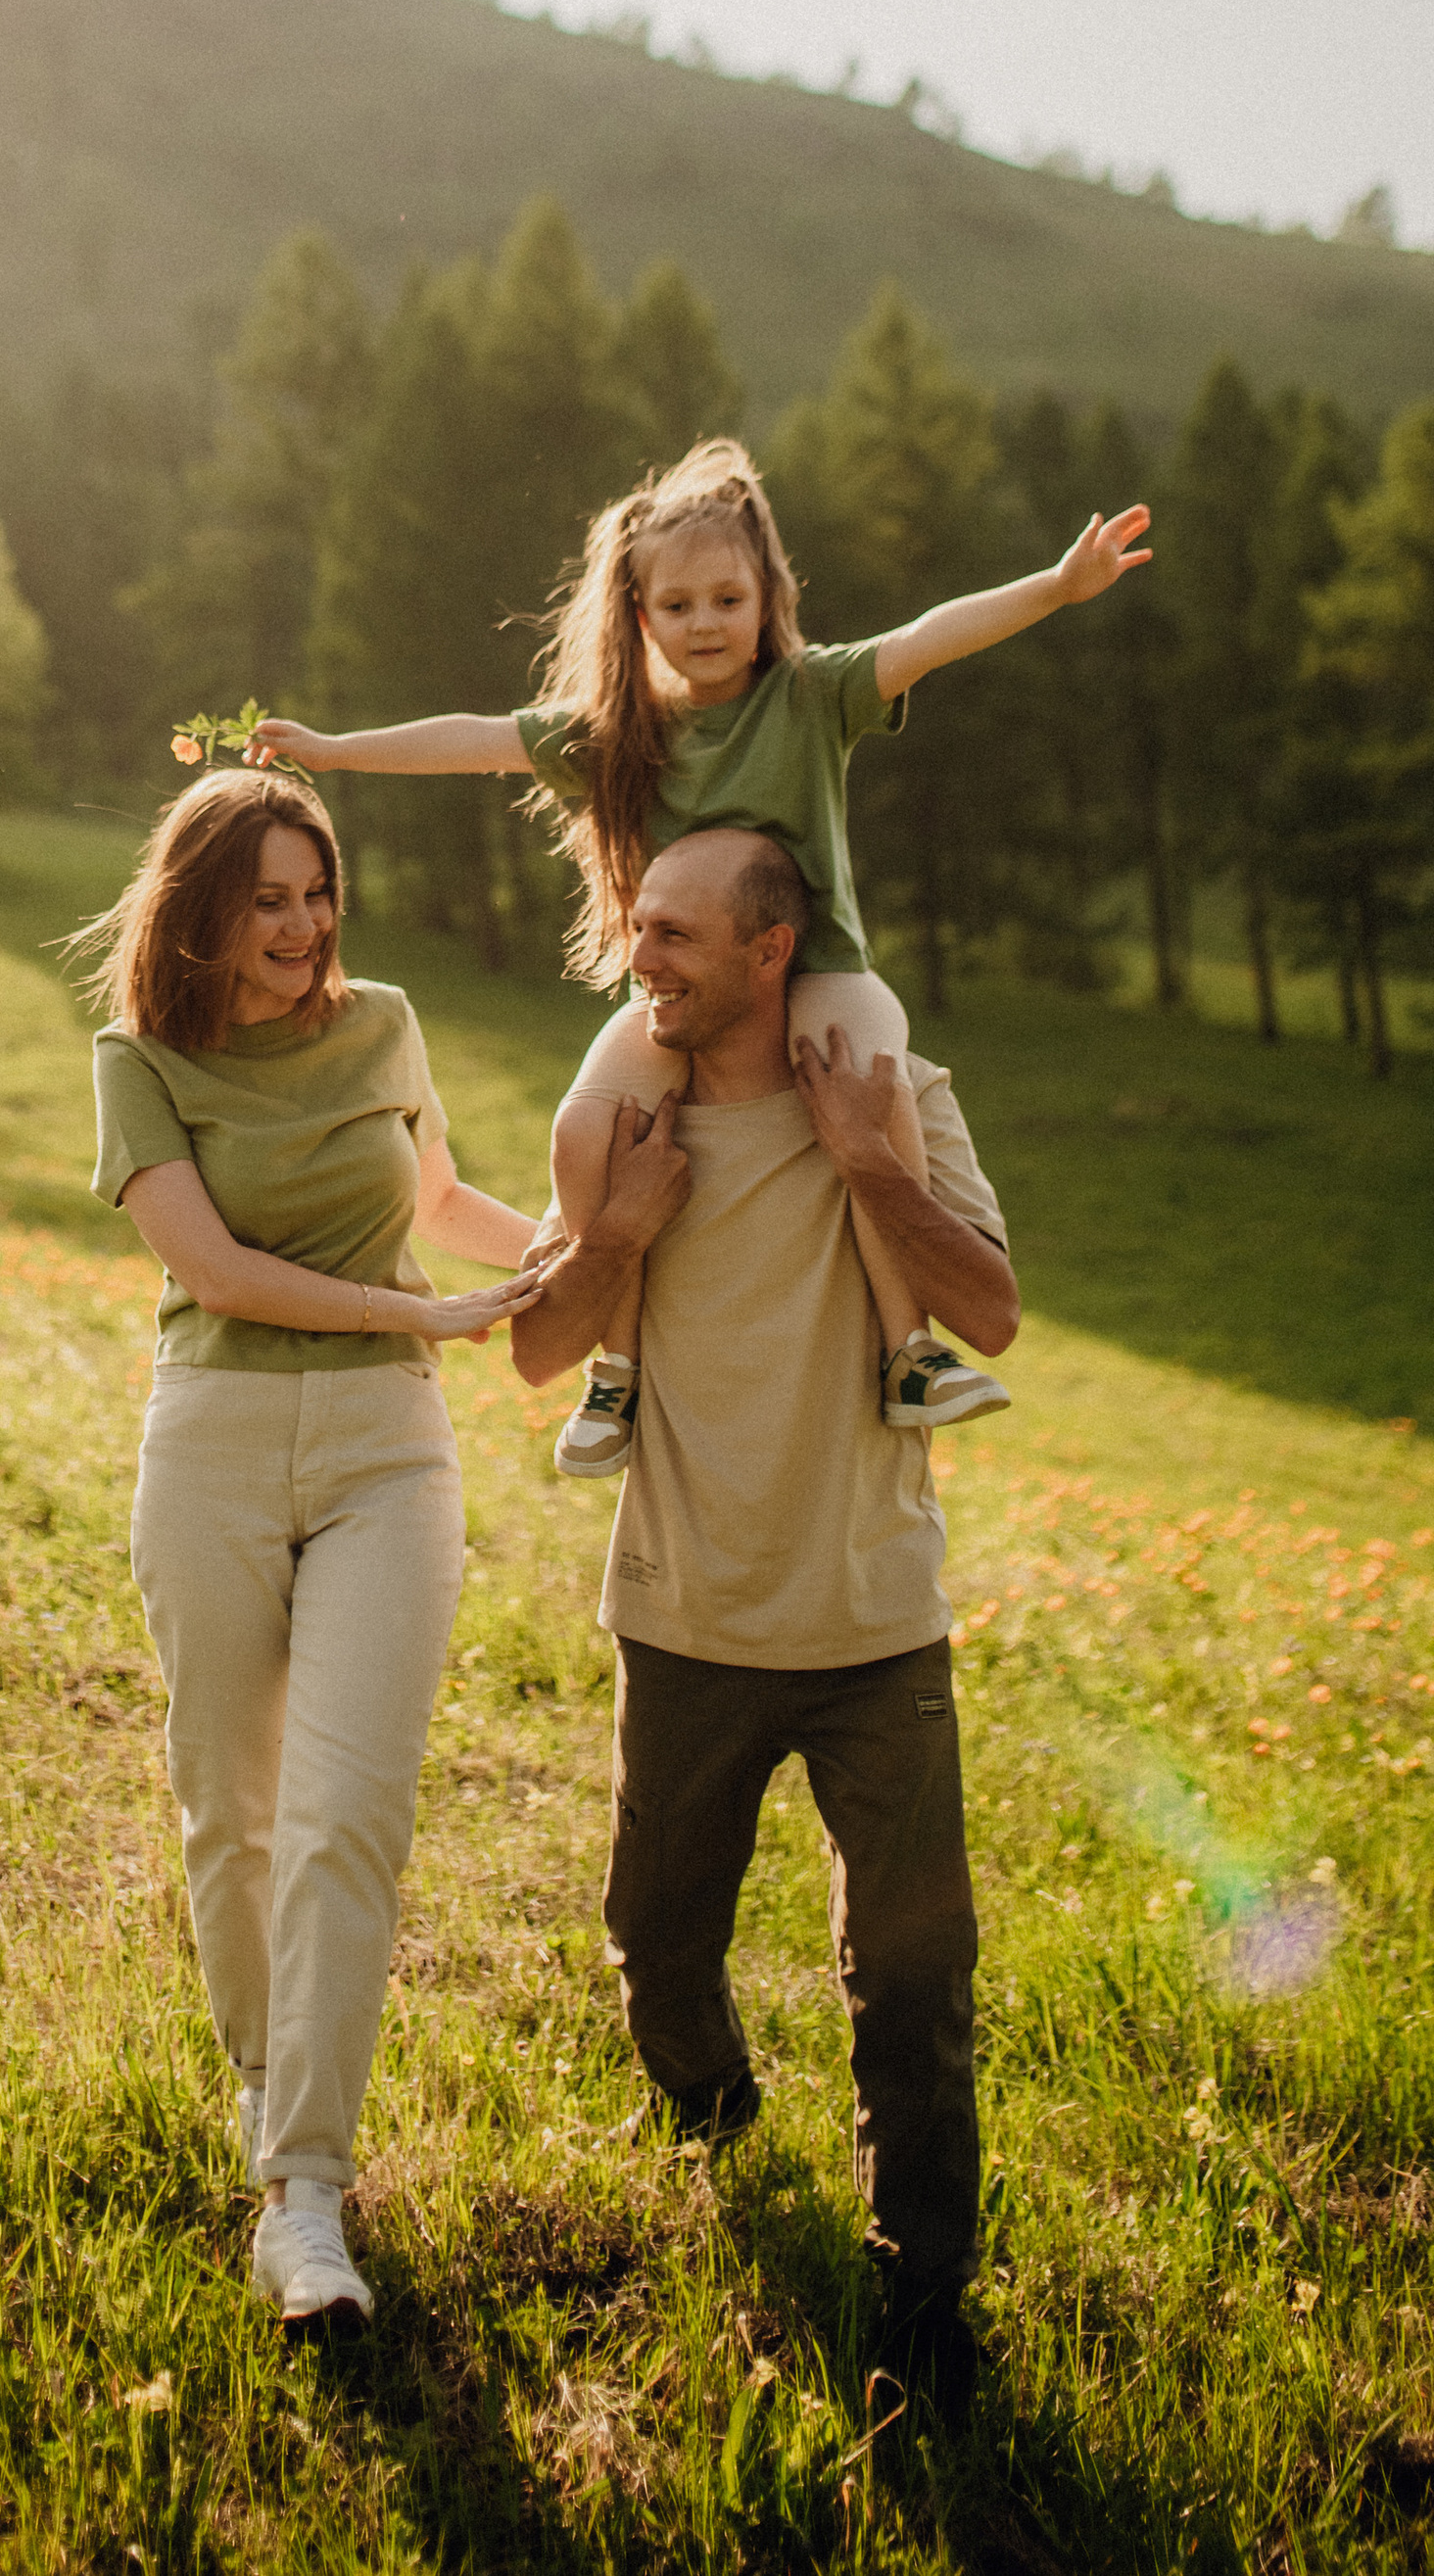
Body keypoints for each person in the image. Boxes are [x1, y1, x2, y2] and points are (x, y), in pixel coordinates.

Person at [252, 435, 1147, 1468]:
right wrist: (333, 751)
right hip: (677, 991)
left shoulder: (813, 695)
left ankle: (910, 1353)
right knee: (588, 1124)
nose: (705, 623)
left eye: (727, 599)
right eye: (677, 607)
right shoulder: (618, 731)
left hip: (823, 972)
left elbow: (930, 636)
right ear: (641, 619)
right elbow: (474, 737)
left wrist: (1057, 586)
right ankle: (613, 1376)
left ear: (766, 596)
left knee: (871, 1081)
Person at [515, 821, 1022, 2419]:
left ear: (769, 951)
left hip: (876, 1624)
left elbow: (994, 1310)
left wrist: (875, 1164)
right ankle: (720, 2132)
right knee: (659, 1938)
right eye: (637, 923)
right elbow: (540, 1347)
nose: (640, 953)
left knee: (918, 1977)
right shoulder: (631, 1124)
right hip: (683, 1617)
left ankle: (923, 2282)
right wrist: (620, 1233)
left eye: (675, 931)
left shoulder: (896, 1099)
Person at [75, 764, 547, 2337]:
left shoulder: (385, 1023)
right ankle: (270, 2096)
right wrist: (418, 1306)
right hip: (210, 1442)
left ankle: (310, 2198)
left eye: (318, 888)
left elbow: (439, 1198)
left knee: (349, 1816)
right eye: (266, 897)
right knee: (236, 1809)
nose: (301, 923)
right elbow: (215, 1269)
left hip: (383, 1453)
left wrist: (589, 1237)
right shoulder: (139, 1058)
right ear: (201, 906)